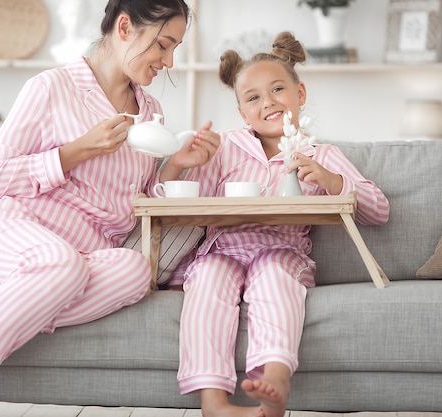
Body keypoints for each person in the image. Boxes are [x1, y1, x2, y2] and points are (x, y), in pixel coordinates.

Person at [0, 1, 220, 416]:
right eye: (163, 45)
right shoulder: (51, 87)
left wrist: (176, 165)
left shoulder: (151, 112)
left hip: (84, 258)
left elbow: (137, 203)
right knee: (60, 264)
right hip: (6, 234)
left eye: (175, 49)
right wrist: (77, 151)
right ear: (124, 28)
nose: (168, 61)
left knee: (136, 270)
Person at [166, 32, 390, 417]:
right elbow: (186, 203)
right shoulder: (225, 147)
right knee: (206, 283)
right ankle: (214, 403)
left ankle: (276, 382)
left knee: (275, 281)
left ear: (300, 94)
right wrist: (186, 164)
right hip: (223, 249)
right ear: (241, 112)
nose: (267, 102)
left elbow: (379, 210)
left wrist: (332, 181)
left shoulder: (320, 154)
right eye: (253, 97)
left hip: (282, 250)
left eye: (277, 90)